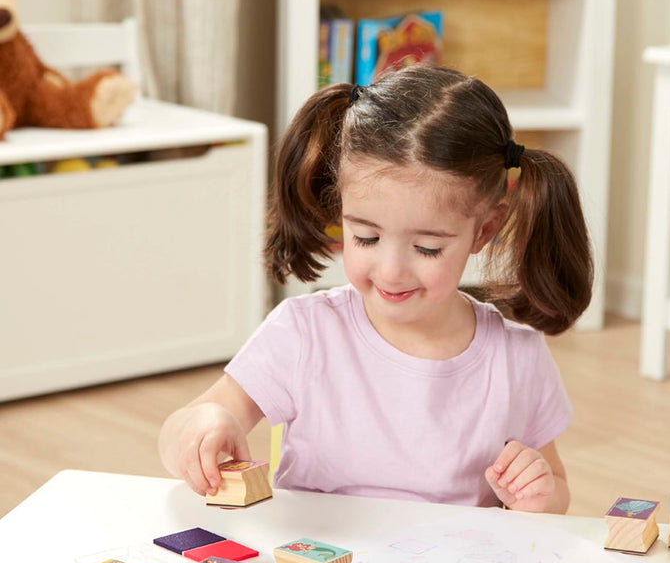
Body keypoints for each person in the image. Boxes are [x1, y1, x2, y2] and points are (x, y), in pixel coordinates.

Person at [158, 64, 593, 514]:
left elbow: (555, 487)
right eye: (366, 237)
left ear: (485, 230)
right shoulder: (305, 332)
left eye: (426, 248)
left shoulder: (516, 358)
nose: (390, 271)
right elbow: (177, 431)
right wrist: (205, 425)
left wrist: (540, 494)